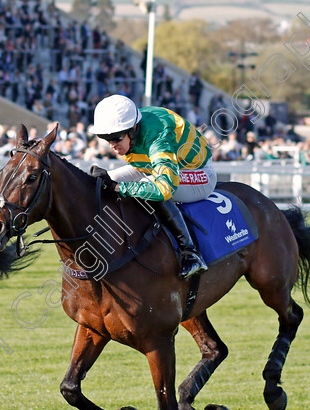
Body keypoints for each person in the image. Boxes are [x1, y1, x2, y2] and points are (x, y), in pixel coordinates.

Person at [89, 94, 216, 279]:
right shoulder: (132, 127)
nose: (112, 146)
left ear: (133, 129)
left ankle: (191, 253)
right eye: (105, 138)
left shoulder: (158, 137)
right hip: (152, 166)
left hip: (199, 173)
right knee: (99, 182)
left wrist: (119, 188)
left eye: (116, 138)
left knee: (147, 189)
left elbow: (165, 188)